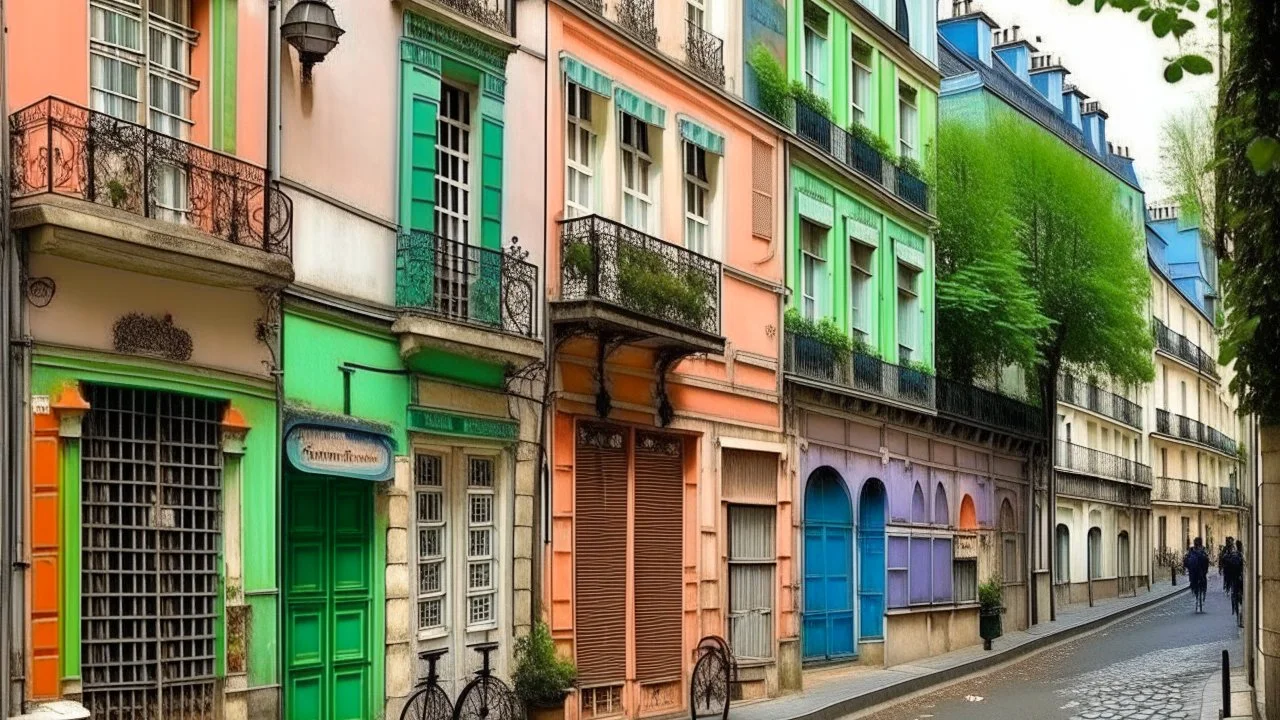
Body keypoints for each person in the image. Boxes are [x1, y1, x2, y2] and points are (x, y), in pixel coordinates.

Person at [1184, 537, 1211, 613]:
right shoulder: (1202, 549)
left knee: (1195, 584)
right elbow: (1207, 561)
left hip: (1196, 573)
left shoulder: (1192, 550)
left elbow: (1187, 561)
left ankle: (1197, 599)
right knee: (1202, 584)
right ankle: (1200, 599)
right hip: (1200, 573)